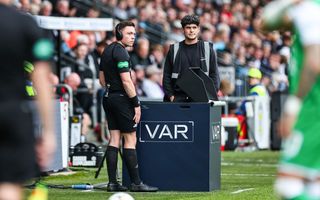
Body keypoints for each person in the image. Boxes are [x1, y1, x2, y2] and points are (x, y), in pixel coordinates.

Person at [261, 0, 320, 199]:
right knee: (313, 183)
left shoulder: (310, 10)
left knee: (289, 184)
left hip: (312, 111)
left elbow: (314, 62)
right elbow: (266, 24)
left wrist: (293, 106)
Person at [0, 1, 55, 200]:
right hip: (13, 113)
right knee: (8, 186)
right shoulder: (26, 24)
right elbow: (41, 78)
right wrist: (48, 131)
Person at [99, 21, 158, 192]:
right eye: (129, 33)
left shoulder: (107, 50)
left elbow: (102, 80)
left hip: (108, 97)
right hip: (121, 99)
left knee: (114, 139)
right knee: (131, 140)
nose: (133, 37)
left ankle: (112, 183)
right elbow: (127, 81)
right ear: (119, 33)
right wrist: (136, 103)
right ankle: (136, 183)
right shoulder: (122, 53)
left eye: (134, 34)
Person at [162, 14, 220, 102]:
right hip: (178, 99)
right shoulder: (174, 49)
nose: (191, 30)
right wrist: (171, 96)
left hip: (202, 99)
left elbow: (214, 75)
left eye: (194, 27)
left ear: (198, 29)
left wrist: (210, 96)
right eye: (188, 27)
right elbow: (166, 75)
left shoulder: (208, 48)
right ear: (183, 30)